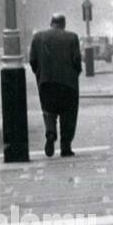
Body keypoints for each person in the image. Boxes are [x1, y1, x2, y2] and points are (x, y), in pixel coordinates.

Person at [29, 12, 82, 159]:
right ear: (63, 24)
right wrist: (75, 74)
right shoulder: (72, 37)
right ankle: (66, 147)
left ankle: (51, 133)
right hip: (68, 84)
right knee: (68, 115)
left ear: (51, 23)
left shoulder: (38, 37)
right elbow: (77, 60)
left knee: (48, 111)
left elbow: (32, 60)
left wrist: (40, 75)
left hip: (46, 83)